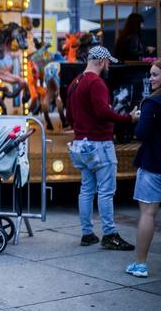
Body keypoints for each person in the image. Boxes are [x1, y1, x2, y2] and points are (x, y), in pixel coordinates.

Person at [66, 46, 138, 250]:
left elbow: (69, 114)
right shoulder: (96, 83)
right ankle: (110, 234)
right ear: (99, 61)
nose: (108, 66)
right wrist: (129, 118)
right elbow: (103, 112)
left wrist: (80, 129)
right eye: (107, 62)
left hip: (80, 144)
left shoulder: (76, 82)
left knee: (86, 189)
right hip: (99, 144)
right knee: (106, 191)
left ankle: (87, 233)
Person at [125, 59, 161, 278]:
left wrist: (136, 119)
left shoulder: (152, 103)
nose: (151, 78)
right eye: (151, 74)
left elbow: (141, 133)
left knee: (147, 213)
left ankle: (140, 264)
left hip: (152, 164)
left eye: (155, 74)